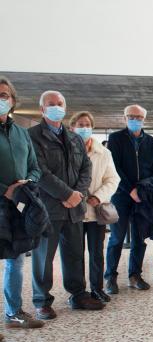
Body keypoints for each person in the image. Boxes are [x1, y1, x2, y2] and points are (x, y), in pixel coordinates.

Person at [29, 90, 104, 319]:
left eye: (59, 103)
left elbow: (85, 168)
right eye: (50, 104)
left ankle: (78, 294)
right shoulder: (32, 136)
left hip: (74, 208)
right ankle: (42, 301)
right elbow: (39, 171)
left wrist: (78, 194)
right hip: (48, 208)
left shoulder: (74, 137)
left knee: (74, 254)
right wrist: (65, 194)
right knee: (44, 257)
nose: (56, 106)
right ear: (42, 109)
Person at [0, 76, 44, 331]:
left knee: (16, 260)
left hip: (18, 204)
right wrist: (5, 190)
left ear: (13, 101)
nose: (1, 100)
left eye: (5, 95)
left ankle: (13, 312)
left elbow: (35, 167)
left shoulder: (20, 133)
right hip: (3, 198)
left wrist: (28, 182)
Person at [105, 104, 153, 294]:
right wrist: (130, 189)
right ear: (124, 118)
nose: (135, 120)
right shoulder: (115, 139)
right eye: (131, 116)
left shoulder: (152, 142)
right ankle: (110, 277)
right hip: (121, 195)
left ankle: (135, 275)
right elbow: (115, 167)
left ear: (144, 119)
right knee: (117, 238)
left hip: (143, 196)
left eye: (138, 117)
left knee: (139, 238)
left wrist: (142, 189)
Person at [69, 111, 120, 303]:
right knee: (75, 254)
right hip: (73, 210)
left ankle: (97, 288)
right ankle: (78, 292)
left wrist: (99, 197)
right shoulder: (67, 150)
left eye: (87, 124)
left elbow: (113, 179)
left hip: (95, 211)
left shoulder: (104, 152)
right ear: (72, 128)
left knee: (96, 253)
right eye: (80, 124)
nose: (84, 128)